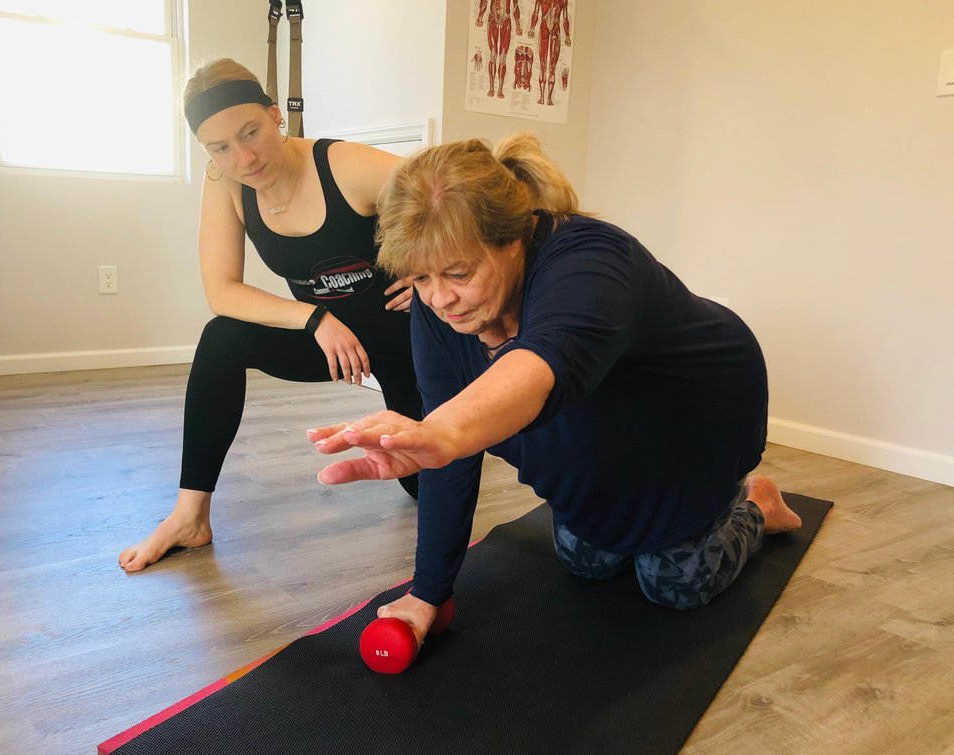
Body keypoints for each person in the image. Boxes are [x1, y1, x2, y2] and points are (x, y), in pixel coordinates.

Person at [308, 134, 802, 642]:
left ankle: (757, 506)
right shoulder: (440, 307)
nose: (438, 299)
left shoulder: (592, 259)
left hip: (690, 412)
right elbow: (446, 450)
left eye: (458, 273)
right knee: (585, 561)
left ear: (512, 241)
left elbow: (541, 363)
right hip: (603, 419)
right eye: (419, 278)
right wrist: (428, 592)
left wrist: (442, 432)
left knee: (676, 585)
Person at [118, 59, 421, 572]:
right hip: (334, 342)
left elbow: (468, 193)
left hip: (409, 345)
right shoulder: (226, 181)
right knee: (222, 338)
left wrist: (437, 271)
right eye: (219, 148)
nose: (243, 158)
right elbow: (222, 292)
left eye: (250, 132)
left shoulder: (345, 165)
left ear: (276, 115)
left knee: (423, 485)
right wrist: (315, 319)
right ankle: (190, 516)